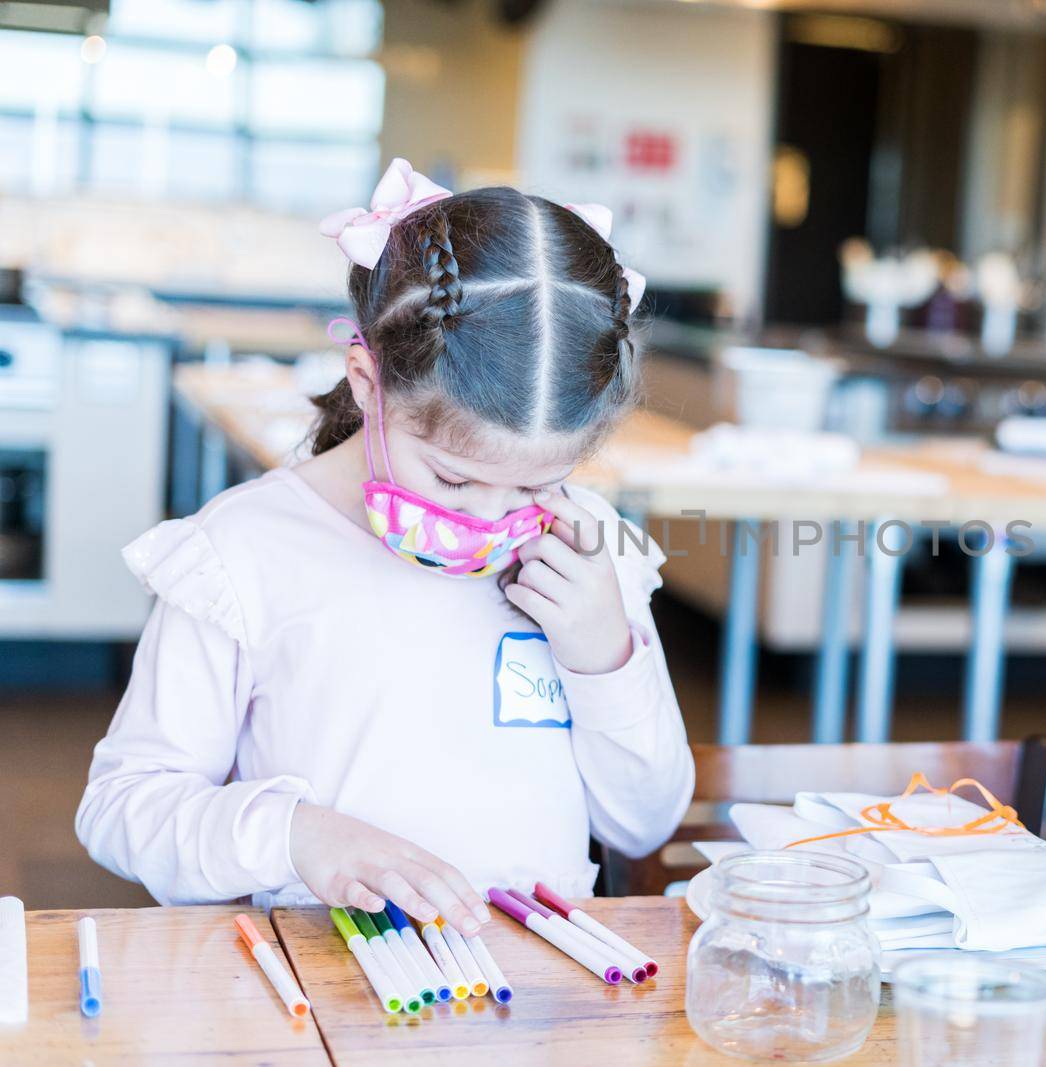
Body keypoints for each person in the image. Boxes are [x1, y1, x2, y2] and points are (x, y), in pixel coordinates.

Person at [76, 160, 692, 936]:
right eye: (453, 479)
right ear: (368, 381)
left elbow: (644, 824)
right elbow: (124, 807)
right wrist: (296, 834)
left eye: (538, 485)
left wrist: (605, 654)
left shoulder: (588, 552)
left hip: (537, 998)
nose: (492, 519)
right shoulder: (243, 552)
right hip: (327, 999)